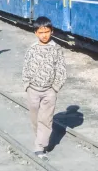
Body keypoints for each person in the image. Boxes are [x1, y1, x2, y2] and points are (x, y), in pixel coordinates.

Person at [22, 16, 67, 160]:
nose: (44, 35)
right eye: (41, 32)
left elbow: (61, 70)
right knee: (35, 119)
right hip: (33, 90)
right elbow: (26, 67)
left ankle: (40, 146)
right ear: (36, 33)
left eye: (47, 31)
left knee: (45, 120)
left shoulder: (57, 49)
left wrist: (55, 88)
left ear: (52, 31)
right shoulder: (32, 49)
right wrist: (27, 85)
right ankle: (39, 139)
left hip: (49, 91)